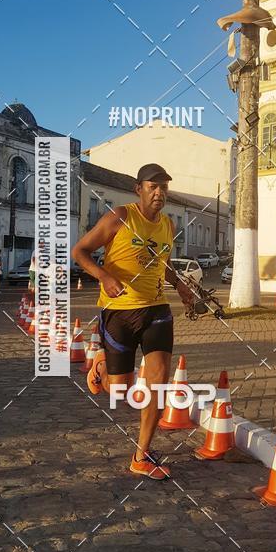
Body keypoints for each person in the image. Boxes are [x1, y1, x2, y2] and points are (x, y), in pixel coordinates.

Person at [71, 163, 194, 480]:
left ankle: (141, 455)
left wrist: (179, 286)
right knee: (119, 390)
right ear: (138, 189)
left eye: (164, 186)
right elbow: (80, 251)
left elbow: (162, 263)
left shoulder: (167, 224)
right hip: (119, 312)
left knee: (158, 382)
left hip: (157, 311)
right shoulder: (120, 217)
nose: (159, 192)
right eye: (153, 186)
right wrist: (103, 275)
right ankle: (101, 367)